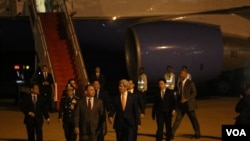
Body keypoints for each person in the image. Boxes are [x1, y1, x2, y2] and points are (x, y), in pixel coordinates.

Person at [171, 69, 201, 139]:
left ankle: (197, 133)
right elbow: (179, 94)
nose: (180, 75)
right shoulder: (179, 83)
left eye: (182, 74)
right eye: (180, 73)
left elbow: (194, 93)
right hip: (181, 106)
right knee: (177, 119)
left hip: (189, 105)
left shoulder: (190, 83)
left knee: (193, 120)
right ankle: (171, 133)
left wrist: (186, 99)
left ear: (186, 75)